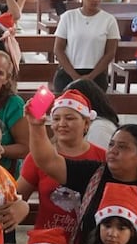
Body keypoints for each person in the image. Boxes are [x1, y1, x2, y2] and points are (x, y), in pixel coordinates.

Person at [26, 114, 137, 244]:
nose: (113, 151)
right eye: (111, 145)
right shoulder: (94, 174)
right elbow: (48, 162)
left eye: (122, 147)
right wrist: (36, 126)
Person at [18, 89, 106, 232]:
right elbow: (18, 196)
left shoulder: (102, 157)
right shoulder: (37, 157)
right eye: (56, 119)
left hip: (88, 243)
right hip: (46, 243)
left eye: (70, 118)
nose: (62, 124)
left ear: (86, 123)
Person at [52, 0, 119, 92]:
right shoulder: (68, 17)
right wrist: (75, 76)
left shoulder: (109, 20)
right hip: (69, 73)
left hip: (96, 75)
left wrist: (91, 77)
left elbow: (110, 53)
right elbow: (58, 49)